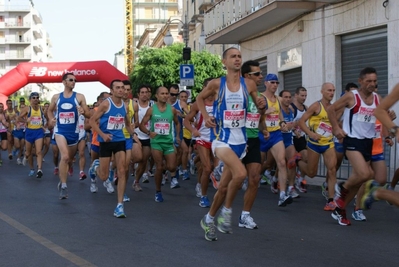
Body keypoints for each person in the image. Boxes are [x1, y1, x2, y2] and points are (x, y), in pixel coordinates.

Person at [197, 47, 266, 241]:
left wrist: (261, 105)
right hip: (221, 140)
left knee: (224, 187)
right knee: (241, 174)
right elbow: (199, 98)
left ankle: (208, 218)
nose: (237, 59)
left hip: (241, 142)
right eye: (233, 56)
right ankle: (226, 212)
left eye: (239, 56)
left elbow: (258, 105)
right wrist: (206, 116)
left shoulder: (250, 84)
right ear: (224, 61)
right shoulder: (217, 84)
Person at [327, 67, 380, 226]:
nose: (372, 84)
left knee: (360, 181)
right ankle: (342, 187)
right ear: (361, 81)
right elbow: (331, 109)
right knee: (365, 173)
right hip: (352, 140)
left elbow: (383, 115)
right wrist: (336, 128)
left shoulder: (377, 98)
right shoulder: (352, 96)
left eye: (375, 81)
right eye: (368, 81)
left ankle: (340, 209)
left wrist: (389, 118)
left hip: (367, 142)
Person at [89, 79, 135, 218]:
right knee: (103, 176)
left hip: (120, 140)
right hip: (106, 141)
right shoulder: (106, 104)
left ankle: (119, 206)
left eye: (123, 88)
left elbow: (126, 122)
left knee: (122, 171)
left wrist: (133, 134)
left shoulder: (125, 106)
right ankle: (95, 168)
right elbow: (92, 121)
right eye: (118, 88)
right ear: (112, 90)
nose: (121, 90)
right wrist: (103, 134)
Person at [48, 73, 90, 199]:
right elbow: (49, 110)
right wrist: (51, 120)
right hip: (60, 131)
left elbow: (89, 114)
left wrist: (84, 112)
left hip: (74, 133)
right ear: (64, 82)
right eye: (71, 80)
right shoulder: (56, 97)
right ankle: (64, 186)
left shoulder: (80, 97)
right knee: (65, 156)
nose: (73, 82)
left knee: (69, 160)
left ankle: (62, 179)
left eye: (75, 80)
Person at [297, 83, 337, 211]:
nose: (331, 93)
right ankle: (297, 161)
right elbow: (301, 122)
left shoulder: (333, 108)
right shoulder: (316, 106)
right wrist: (311, 134)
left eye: (333, 90)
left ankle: (331, 200)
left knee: (332, 170)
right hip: (314, 144)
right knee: (312, 173)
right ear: (322, 92)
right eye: (329, 90)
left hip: (328, 143)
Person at [139, 86, 181, 203]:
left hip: (168, 142)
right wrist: (148, 132)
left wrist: (177, 135)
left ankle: (166, 174)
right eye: (162, 93)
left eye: (166, 93)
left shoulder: (172, 110)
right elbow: (142, 124)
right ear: (157, 96)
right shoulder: (152, 110)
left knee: (172, 167)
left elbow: (177, 123)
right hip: (156, 142)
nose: (165, 95)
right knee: (159, 166)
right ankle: (158, 191)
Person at [238, 60, 267, 229]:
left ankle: (245, 215)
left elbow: (260, 117)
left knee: (254, 178)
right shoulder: (237, 93)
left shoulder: (261, 98)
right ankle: (216, 213)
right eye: (257, 74)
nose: (260, 76)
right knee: (232, 181)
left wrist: (263, 128)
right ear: (247, 76)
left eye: (260, 73)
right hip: (237, 140)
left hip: (254, 139)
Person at [258, 73, 293, 206]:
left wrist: (283, 123)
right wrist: (264, 112)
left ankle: (283, 195)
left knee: (282, 163)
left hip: (275, 135)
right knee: (257, 166)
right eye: (272, 82)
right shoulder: (260, 97)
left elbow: (279, 114)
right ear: (266, 83)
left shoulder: (278, 99)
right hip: (262, 134)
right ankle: (251, 178)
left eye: (276, 83)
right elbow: (253, 114)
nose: (275, 85)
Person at [184, 78, 214, 208]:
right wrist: (193, 130)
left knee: (213, 168)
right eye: (209, 87)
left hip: (217, 139)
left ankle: (201, 183)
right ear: (204, 87)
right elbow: (186, 120)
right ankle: (204, 196)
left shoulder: (220, 102)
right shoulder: (198, 104)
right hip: (202, 138)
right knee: (207, 168)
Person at [18, 92, 45, 178]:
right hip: (29, 132)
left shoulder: (41, 108)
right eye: (33, 98)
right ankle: (31, 168)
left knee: (38, 151)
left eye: (37, 97)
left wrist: (46, 126)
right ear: (30, 100)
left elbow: (48, 118)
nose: (36, 99)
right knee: (28, 153)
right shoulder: (27, 109)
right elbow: (18, 118)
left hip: (39, 131)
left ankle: (39, 169)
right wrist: (26, 121)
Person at [290, 87, 308, 192]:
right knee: (290, 161)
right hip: (291, 137)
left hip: (301, 137)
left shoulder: (306, 108)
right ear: (296, 95)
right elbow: (287, 122)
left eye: (305, 96)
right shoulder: (291, 108)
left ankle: (300, 179)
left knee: (306, 158)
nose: (304, 98)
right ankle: (274, 177)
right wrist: (293, 129)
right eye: (302, 95)